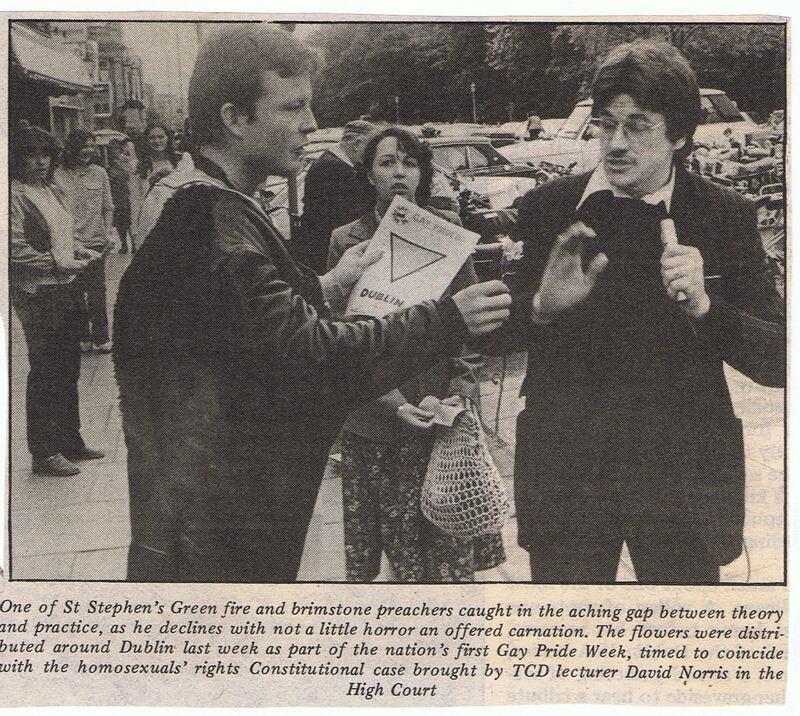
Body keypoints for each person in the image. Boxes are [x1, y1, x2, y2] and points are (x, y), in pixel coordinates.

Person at [112, 25, 516, 583]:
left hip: (206, 515)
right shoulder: (211, 226)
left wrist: (325, 286)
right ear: (235, 117)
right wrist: (446, 319)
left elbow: (244, 330)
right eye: (294, 106)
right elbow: (312, 359)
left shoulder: (212, 210)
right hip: (217, 534)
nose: (309, 123)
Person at [488, 40, 785, 584]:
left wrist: (705, 306)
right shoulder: (548, 209)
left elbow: (779, 360)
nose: (616, 144)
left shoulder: (724, 215)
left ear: (678, 135)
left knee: (684, 651)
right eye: (607, 125)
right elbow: (487, 336)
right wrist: (541, 307)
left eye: (638, 126)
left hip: (682, 479)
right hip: (567, 477)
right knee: (565, 647)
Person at [328, 126, 505, 582]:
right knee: (393, 558)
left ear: (423, 172)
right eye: (387, 163)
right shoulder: (347, 242)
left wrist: (458, 392)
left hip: (437, 414)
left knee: (447, 558)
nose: (400, 173)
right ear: (368, 174)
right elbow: (340, 338)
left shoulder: (448, 237)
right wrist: (395, 404)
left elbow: (472, 330)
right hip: (375, 416)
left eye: (409, 163)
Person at [10, 124, 105, 476]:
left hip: (65, 287)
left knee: (68, 368)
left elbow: (63, 235)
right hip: (38, 294)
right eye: (31, 155)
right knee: (46, 371)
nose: (39, 162)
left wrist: (79, 250)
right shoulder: (14, 196)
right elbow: (13, 250)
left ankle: (70, 441)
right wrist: (56, 262)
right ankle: (44, 451)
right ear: (17, 158)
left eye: (45, 155)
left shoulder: (52, 190)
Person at [53, 128, 115, 354]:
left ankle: (101, 338)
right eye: (83, 146)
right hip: (69, 243)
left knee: (97, 292)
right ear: (72, 148)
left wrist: (108, 234)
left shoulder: (100, 173)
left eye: (91, 146)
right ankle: (83, 336)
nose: (87, 151)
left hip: (96, 243)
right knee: (75, 292)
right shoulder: (57, 174)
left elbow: (108, 207)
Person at [296, 119, 376, 273]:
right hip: (325, 250)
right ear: (357, 144)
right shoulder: (337, 169)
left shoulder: (327, 161)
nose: (373, 155)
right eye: (371, 148)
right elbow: (356, 212)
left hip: (315, 245)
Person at [107, 139, 134, 254]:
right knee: (120, 224)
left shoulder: (125, 160)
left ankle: (134, 244)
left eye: (116, 149)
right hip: (115, 197)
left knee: (129, 223)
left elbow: (130, 175)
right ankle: (124, 244)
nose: (114, 151)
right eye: (111, 149)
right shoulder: (108, 164)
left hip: (125, 196)